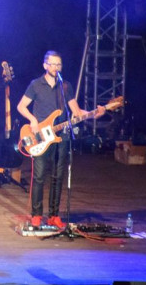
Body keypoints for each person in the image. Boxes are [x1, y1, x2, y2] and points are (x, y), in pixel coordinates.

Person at [16, 51, 103, 229]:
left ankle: (54, 215)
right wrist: (33, 120)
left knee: (57, 176)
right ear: (45, 65)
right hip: (40, 137)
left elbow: (76, 112)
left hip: (61, 136)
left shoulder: (65, 86)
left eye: (59, 64)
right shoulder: (36, 85)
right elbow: (21, 106)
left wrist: (94, 113)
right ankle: (36, 215)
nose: (56, 67)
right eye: (53, 64)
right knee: (39, 176)